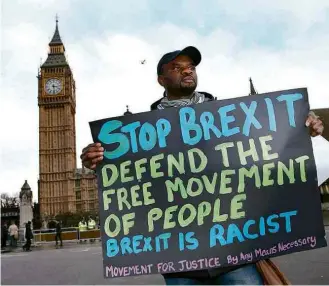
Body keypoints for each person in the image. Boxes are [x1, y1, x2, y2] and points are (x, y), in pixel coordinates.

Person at [80, 46, 324, 285]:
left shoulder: (231, 118)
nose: (187, 71)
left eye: (191, 67)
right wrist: (96, 158)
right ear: (161, 80)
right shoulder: (138, 135)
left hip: (235, 254)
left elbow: (269, 146)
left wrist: (302, 128)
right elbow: (129, 183)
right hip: (179, 261)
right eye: (177, 67)